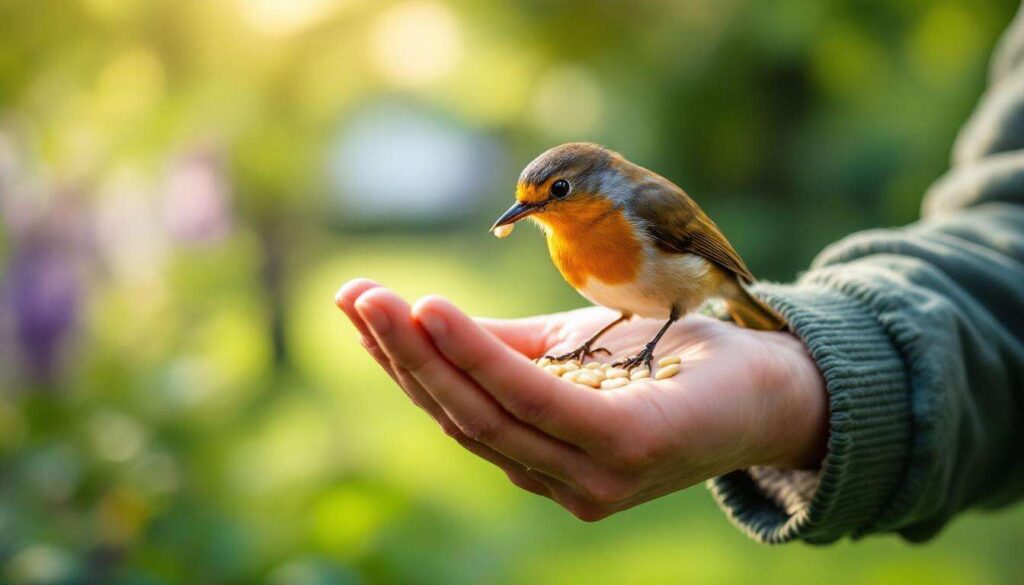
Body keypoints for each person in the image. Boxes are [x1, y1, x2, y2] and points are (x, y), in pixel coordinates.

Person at [335, 8, 1024, 544]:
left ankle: (663, 343)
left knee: (661, 318)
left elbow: (699, 267)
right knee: (621, 322)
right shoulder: (564, 240)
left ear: (596, 185)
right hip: (644, 293)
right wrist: (600, 340)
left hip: (697, 286)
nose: (536, 210)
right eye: (529, 201)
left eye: (558, 193)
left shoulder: (646, 207)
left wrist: (741, 367)